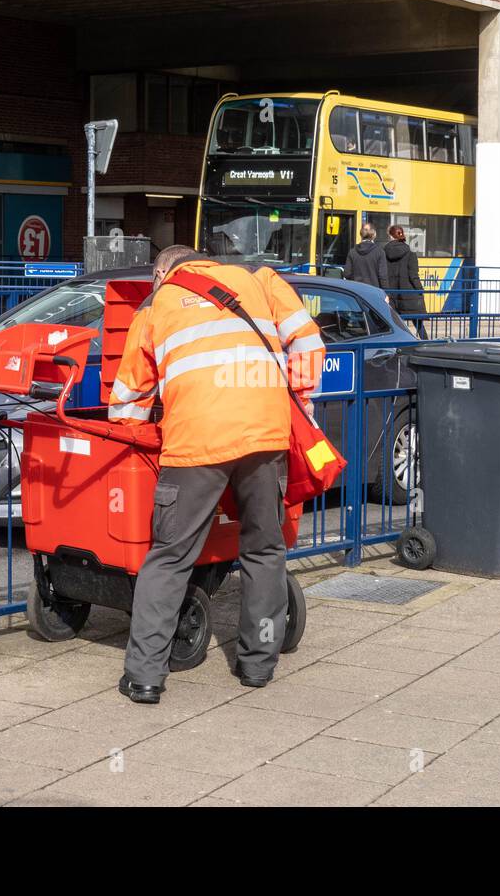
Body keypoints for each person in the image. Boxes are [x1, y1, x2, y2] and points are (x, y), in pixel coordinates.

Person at [108, 245, 324, 704]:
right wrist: (298, 403)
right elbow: (308, 343)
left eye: (154, 275)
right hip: (265, 437)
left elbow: (128, 396)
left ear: (164, 270)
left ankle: (145, 677)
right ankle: (257, 667)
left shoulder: (154, 306)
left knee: (169, 557)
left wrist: (140, 428)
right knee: (264, 550)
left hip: (194, 443)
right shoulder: (261, 281)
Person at [383, 225, 428, 338]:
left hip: (391, 294)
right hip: (408, 294)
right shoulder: (410, 252)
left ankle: (397, 344)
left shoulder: (383, 251)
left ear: (390, 236)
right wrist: (420, 290)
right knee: (418, 324)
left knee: (393, 323)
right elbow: (413, 275)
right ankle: (426, 343)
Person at [343, 223, 388, 289]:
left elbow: (347, 274)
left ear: (361, 234)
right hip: (373, 290)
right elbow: (382, 275)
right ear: (374, 235)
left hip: (356, 290)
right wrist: (386, 293)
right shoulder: (380, 252)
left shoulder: (352, 251)